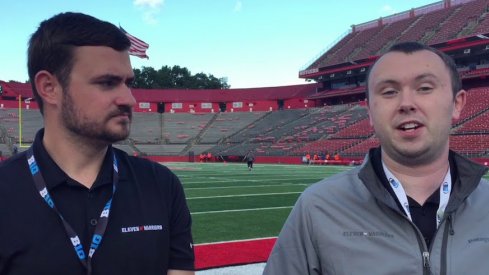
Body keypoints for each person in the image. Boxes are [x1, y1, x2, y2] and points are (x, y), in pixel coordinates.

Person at [264, 41, 489, 274]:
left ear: (457, 103)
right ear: (370, 112)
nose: (406, 104)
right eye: (389, 92)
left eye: (424, 88)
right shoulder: (317, 207)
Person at [0, 12, 194, 275]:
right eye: (107, 82)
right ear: (49, 87)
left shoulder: (162, 185)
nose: (129, 99)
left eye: (128, 83)